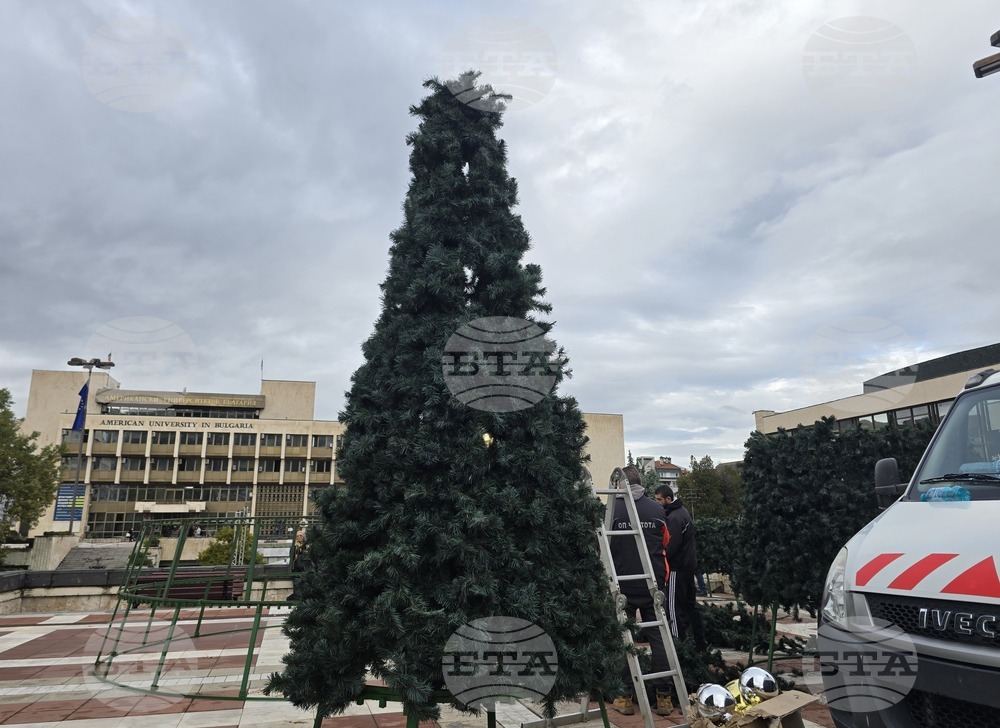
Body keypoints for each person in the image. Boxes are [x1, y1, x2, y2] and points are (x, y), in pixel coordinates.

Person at [609, 467, 674, 717]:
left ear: (619, 484)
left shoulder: (613, 509)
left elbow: (603, 543)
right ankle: (664, 698)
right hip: (652, 584)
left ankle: (623, 697)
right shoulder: (657, 510)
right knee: (659, 638)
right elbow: (665, 541)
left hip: (623, 584)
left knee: (623, 640)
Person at [654, 485, 708, 652]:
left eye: (659, 500)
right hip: (687, 567)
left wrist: (659, 557)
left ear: (668, 499)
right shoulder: (681, 512)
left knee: (673, 608)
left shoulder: (675, 518)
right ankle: (700, 644)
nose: (657, 503)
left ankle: (678, 648)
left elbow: (671, 545)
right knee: (690, 606)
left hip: (677, 568)